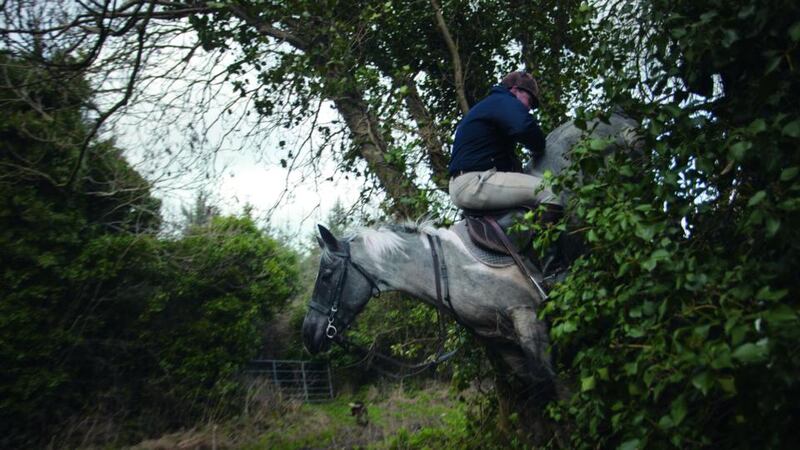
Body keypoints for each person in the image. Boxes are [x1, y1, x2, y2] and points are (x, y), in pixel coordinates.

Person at [448, 71, 562, 218]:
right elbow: (525, 127)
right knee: (548, 191)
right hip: (474, 182)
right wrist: (539, 146)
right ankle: (541, 240)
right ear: (515, 90)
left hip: (465, 184)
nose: (529, 108)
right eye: (530, 101)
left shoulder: (492, 106)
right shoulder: (502, 100)